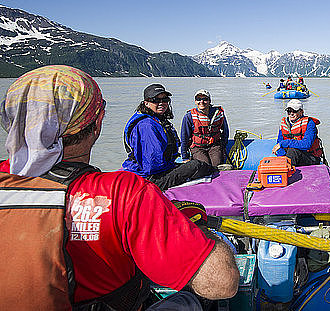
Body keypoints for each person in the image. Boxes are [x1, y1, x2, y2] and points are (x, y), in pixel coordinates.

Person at [0, 65, 239, 310]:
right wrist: (192, 228)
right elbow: (222, 283)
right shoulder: (125, 194)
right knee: (192, 300)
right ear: (97, 123)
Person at [122, 84, 214, 190]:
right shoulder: (147, 125)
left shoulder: (155, 119)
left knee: (194, 165)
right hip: (148, 179)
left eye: (165, 99)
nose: (161, 103)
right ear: (146, 103)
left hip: (152, 171)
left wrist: (175, 164)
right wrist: (176, 167)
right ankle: (215, 170)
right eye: (156, 100)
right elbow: (153, 165)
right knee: (196, 166)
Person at [180, 89, 229, 168]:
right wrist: (185, 156)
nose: (201, 102)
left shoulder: (218, 114)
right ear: (195, 101)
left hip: (214, 146)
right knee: (204, 166)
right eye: (198, 99)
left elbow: (225, 131)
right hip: (197, 147)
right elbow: (184, 136)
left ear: (209, 101)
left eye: (205, 99)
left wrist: (223, 146)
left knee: (216, 165)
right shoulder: (189, 116)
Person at [272, 99, 324, 166]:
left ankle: (289, 173)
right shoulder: (284, 124)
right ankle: (284, 168)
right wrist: (282, 157)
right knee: (284, 152)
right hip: (292, 156)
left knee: (292, 151)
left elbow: (306, 145)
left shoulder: (310, 124)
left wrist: (285, 143)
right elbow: (279, 143)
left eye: (294, 111)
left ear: (301, 112)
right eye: (289, 111)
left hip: (310, 157)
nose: (291, 113)